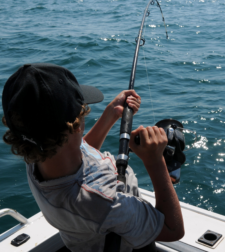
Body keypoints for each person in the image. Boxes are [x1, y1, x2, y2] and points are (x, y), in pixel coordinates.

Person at [2, 63, 184, 252]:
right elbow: (173, 230)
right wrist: (155, 161)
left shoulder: (36, 153)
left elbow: (77, 152)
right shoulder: (102, 202)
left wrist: (111, 114)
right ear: (77, 126)